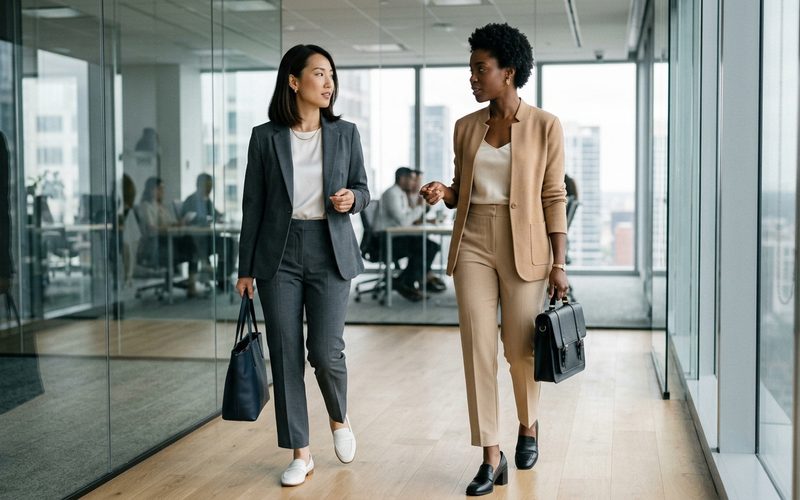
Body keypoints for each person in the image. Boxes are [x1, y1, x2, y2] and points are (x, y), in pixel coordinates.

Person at [419, 23, 569, 496]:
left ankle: (529, 424)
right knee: (477, 348)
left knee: (519, 349)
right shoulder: (466, 127)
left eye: (480, 69)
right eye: (471, 69)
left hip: (525, 245)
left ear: (509, 72)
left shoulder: (545, 125)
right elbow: (463, 190)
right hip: (473, 243)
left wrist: (560, 262)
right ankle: (491, 454)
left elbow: (553, 195)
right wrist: (445, 191)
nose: (472, 77)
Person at [235, 44, 369, 487]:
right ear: (294, 81)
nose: (329, 83)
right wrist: (245, 268)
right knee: (286, 354)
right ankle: (301, 452)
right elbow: (252, 205)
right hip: (279, 254)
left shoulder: (346, 133)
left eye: (331, 75)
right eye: (319, 74)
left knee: (326, 352)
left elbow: (364, 189)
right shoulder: (265, 137)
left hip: (330, 248)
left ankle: (339, 417)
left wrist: (353, 199)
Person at [374, 167, 445, 302]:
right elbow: (404, 221)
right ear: (402, 179)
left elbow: (407, 219)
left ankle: (405, 280)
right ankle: (408, 281)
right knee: (428, 247)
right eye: (412, 179)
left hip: (395, 236)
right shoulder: (392, 194)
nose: (414, 182)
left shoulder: (400, 193)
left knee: (429, 245)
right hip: (383, 241)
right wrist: (421, 206)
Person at [136, 177, 199, 297]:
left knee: (190, 242)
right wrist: (167, 227)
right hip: (155, 246)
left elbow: (169, 222)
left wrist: (178, 223)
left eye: (163, 189)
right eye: (159, 189)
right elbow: (151, 228)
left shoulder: (161, 206)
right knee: (190, 244)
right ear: (151, 190)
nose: (162, 191)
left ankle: (192, 283)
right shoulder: (146, 206)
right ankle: (192, 284)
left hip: (167, 242)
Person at [180, 173, 237, 290]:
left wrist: (221, 216)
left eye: (210, 187)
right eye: (207, 186)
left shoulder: (207, 200)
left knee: (230, 243)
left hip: (209, 238)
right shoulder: (191, 200)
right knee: (223, 244)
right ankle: (208, 267)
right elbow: (189, 219)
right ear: (199, 185)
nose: (209, 190)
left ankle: (223, 278)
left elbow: (216, 214)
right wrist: (207, 219)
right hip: (196, 240)